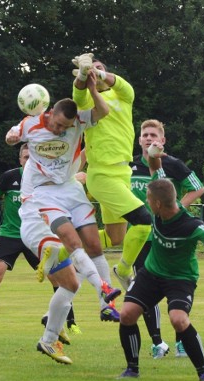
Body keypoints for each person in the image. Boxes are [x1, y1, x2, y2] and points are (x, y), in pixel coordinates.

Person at [6, 69, 120, 365]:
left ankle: (56, 329)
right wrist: (12, 135)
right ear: (49, 114)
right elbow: (12, 137)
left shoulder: (77, 121)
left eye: (64, 127)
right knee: (68, 246)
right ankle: (104, 291)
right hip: (39, 210)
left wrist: (91, 83)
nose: (59, 131)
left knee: (82, 264)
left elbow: (102, 109)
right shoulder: (30, 127)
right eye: (56, 125)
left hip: (69, 191)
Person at [117, 175, 204, 381]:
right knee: (127, 315)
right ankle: (132, 370)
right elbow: (156, 171)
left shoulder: (190, 225)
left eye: (148, 199)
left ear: (157, 203)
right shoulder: (156, 211)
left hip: (180, 278)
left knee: (178, 320)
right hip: (151, 273)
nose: (146, 202)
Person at [0, 144, 80, 337]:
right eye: (25, 157)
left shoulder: (47, 177)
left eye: (32, 157)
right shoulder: (10, 177)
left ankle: (71, 322)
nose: (29, 161)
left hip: (36, 234)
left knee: (58, 277)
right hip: (10, 234)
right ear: (20, 159)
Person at [71, 53, 152, 294]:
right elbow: (77, 93)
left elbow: (123, 85)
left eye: (100, 68)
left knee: (116, 237)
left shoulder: (123, 96)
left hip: (122, 173)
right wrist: (84, 77)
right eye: (90, 69)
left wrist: (98, 73)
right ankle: (125, 270)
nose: (96, 72)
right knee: (144, 222)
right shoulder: (88, 102)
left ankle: (61, 249)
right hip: (102, 176)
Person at [128, 119, 204, 359]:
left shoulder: (173, 165)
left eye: (154, 135)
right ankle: (157, 342)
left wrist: (176, 210)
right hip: (140, 238)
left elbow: (198, 187)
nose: (149, 139)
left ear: (162, 141)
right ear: (139, 139)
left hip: (169, 238)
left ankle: (182, 341)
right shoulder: (127, 166)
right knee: (145, 294)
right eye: (145, 135)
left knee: (174, 290)